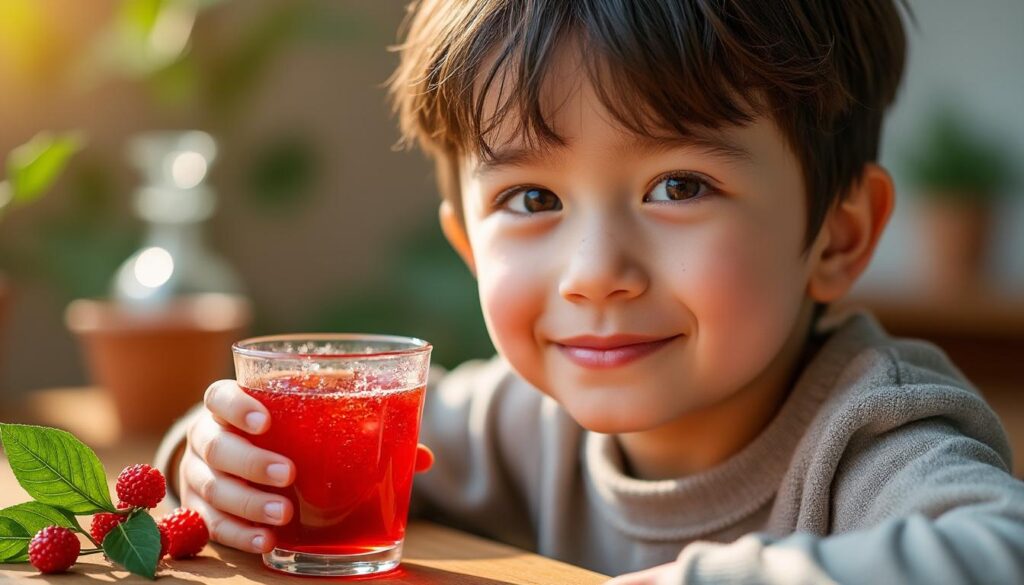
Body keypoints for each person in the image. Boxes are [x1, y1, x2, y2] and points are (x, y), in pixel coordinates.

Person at [155, 1, 1024, 582]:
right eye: (532, 200)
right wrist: (222, 464)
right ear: (469, 247)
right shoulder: (512, 422)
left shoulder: (871, 433)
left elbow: (1001, 550)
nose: (595, 272)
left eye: (679, 186)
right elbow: (250, 461)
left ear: (838, 235)